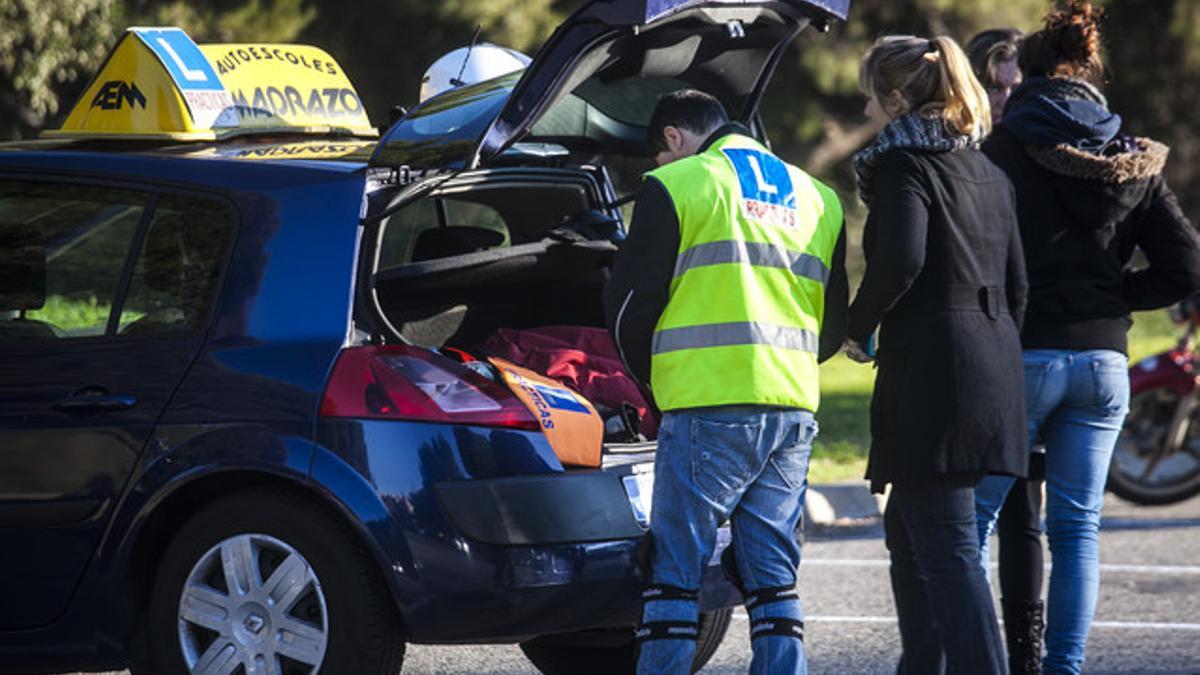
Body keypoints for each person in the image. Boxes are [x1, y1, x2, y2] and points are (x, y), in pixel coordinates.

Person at [973, 3, 1200, 674]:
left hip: (1025, 353)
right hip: (1104, 362)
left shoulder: (1005, 147)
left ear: (1034, 77)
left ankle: (971, 658)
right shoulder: (1132, 155)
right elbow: (1186, 266)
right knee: (1077, 531)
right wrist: (1114, 299)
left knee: (969, 526)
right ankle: (1063, 667)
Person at [604, 89, 848, 675]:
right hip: (790, 406)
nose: (658, 169)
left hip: (707, 402)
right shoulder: (820, 197)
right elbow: (833, 324)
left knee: (675, 579)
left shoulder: (682, 183)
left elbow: (629, 309)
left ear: (672, 137)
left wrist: (653, 386)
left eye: (658, 157)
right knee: (772, 580)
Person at [845, 34, 1027, 674]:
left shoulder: (902, 167)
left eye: (871, 96)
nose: (868, 110)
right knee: (912, 539)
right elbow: (1018, 284)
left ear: (896, 98)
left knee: (947, 553)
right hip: (995, 368)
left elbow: (900, 261)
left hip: (937, 377)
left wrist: (854, 326)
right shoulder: (988, 170)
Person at [967, 26, 1048, 675]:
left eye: (1014, 86)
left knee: (1021, 504)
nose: (1005, 98)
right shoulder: (967, 154)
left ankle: (1024, 653)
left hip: (1022, 345)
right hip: (974, 343)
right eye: (995, 86)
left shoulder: (1034, 151)